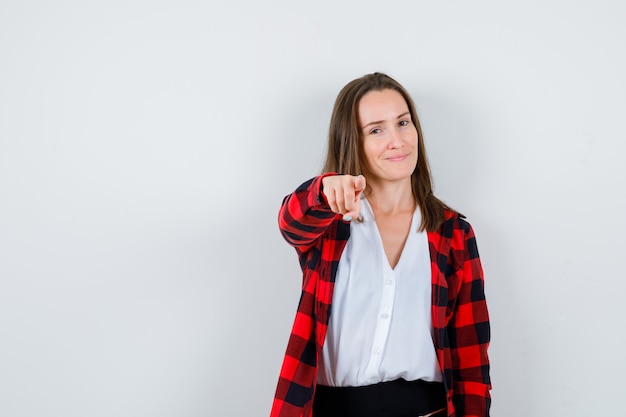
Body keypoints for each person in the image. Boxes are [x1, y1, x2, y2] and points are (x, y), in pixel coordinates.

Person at [270, 73, 491, 417]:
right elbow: (291, 223)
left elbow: (471, 362)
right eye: (376, 130)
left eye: (403, 123)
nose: (397, 140)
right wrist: (326, 189)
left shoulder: (453, 233)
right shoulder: (330, 222)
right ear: (352, 142)